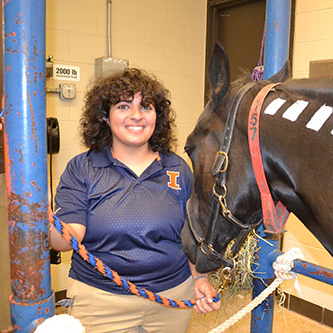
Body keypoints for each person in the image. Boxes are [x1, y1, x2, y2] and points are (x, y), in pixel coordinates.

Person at [49, 68, 221, 332]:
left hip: (172, 296)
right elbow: (65, 240)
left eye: (146, 107)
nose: (137, 116)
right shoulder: (82, 169)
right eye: (123, 106)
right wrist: (38, 209)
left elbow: (191, 235)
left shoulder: (177, 168)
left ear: (157, 117)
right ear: (105, 116)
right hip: (102, 301)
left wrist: (199, 278)